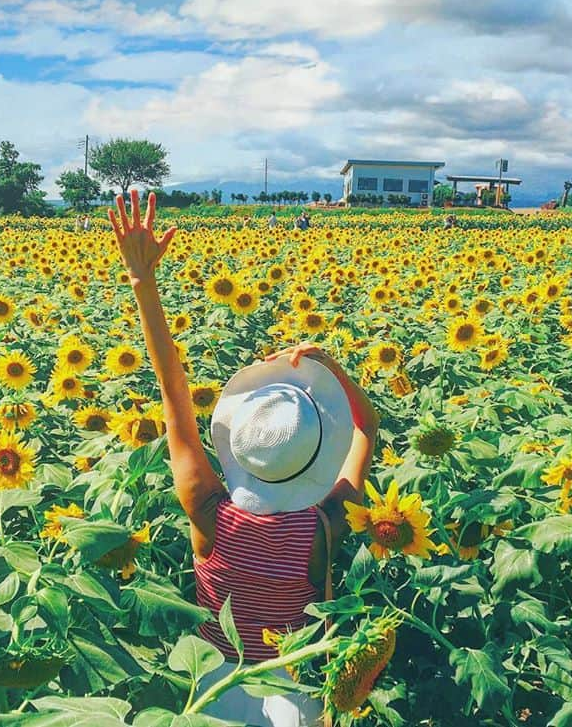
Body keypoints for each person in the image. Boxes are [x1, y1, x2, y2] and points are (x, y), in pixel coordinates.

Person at [108, 190, 377, 725]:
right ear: (316, 453)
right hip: (294, 690)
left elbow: (173, 395)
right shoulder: (325, 528)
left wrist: (143, 283)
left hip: (209, 684)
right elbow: (367, 428)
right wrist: (331, 367)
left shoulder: (205, 510)